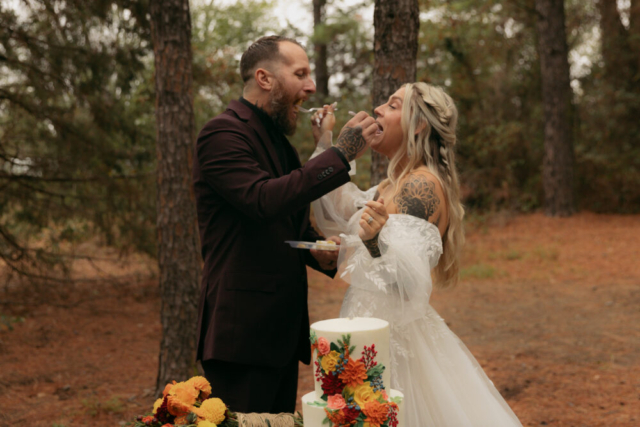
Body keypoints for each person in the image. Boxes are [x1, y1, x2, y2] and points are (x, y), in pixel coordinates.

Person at [310, 83, 523, 426]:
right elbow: (337, 207)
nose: (378, 108)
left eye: (392, 105)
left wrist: (374, 241)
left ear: (419, 124)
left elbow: (409, 283)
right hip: (366, 327)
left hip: (392, 338)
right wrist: (330, 145)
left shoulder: (420, 186)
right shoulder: (390, 185)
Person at [192, 35, 379, 414]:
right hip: (240, 336)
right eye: (301, 74)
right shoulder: (222, 134)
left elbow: (286, 221)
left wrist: (318, 251)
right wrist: (339, 153)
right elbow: (262, 200)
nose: (311, 87)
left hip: (279, 334)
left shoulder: (280, 142)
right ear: (264, 78)